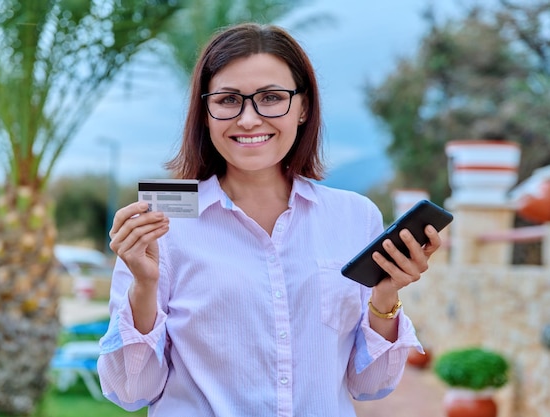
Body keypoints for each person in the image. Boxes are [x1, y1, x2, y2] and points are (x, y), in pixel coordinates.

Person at [97, 22, 443, 417]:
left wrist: (385, 296)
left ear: (303, 108)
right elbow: (130, 392)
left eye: (271, 97)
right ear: (205, 112)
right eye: (228, 100)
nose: (248, 119)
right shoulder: (162, 227)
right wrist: (144, 286)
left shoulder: (355, 216)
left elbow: (371, 386)